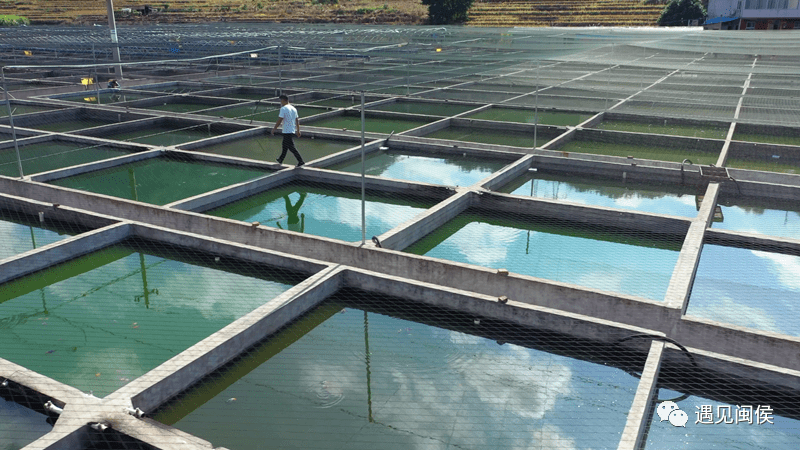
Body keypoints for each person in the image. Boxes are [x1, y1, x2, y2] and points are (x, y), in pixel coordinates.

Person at [271, 94, 305, 167]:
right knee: (285, 146)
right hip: (291, 130)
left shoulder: (283, 109)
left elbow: (280, 120)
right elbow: (297, 120)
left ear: (284, 100)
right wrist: (298, 130)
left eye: (281, 101)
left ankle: (300, 161)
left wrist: (274, 129)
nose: (280, 102)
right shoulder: (293, 108)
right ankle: (281, 159)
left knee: (291, 147)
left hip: (287, 130)